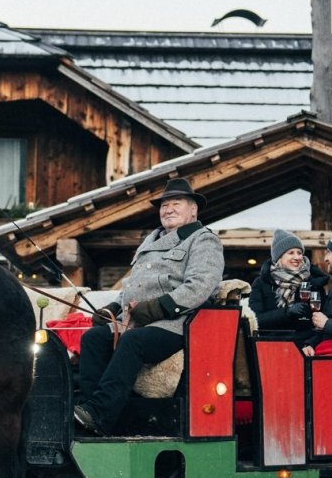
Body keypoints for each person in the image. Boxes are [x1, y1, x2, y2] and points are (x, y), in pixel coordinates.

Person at [75, 178, 225, 436]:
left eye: (175, 204)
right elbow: (134, 288)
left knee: (133, 342)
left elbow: (201, 285)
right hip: (135, 321)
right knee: (93, 338)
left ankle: (100, 414)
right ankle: (88, 412)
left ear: (193, 210)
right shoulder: (150, 242)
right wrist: (112, 308)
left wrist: (157, 308)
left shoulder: (203, 241)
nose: (168, 209)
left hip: (176, 324)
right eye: (164, 205)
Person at [249, 228, 327, 333]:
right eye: (291, 253)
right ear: (279, 257)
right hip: (270, 342)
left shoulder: (313, 281)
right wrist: (286, 312)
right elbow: (255, 320)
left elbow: (322, 319)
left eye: (299, 253)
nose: (297, 257)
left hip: (305, 344)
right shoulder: (261, 283)